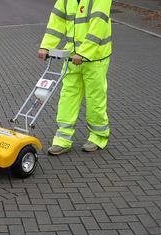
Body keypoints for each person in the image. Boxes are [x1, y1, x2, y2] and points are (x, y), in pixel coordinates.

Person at [38, 0, 112, 155]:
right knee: (67, 96)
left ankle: (98, 136)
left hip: (95, 58)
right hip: (72, 57)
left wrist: (84, 52)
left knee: (95, 97)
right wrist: (46, 45)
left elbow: (98, 25)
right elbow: (57, 21)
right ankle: (62, 139)